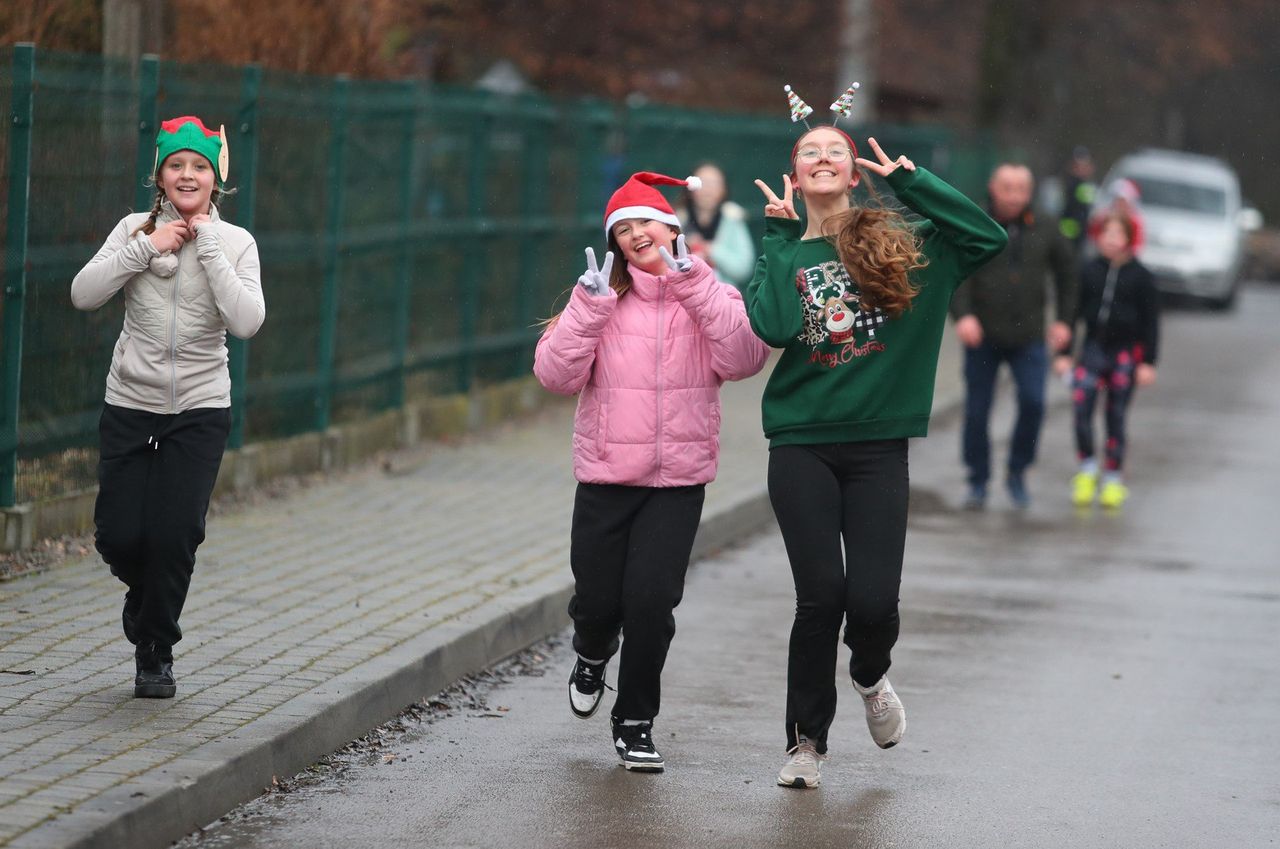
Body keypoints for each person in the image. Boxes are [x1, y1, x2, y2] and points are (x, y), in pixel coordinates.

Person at [746, 126, 1007, 788]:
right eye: (811, 153)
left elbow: (986, 237)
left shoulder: (907, 243)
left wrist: (912, 181)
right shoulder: (788, 249)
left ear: (854, 170)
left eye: (836, 150)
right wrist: (775, 239)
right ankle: (806, 743)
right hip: (800, 442)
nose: (824, 158)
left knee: (871, 599)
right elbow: (774, 326)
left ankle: (868, 672)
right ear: (796, 175)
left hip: (878, 450)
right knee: (819, 597)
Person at [533, 171, 769, 772]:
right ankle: (591, 652)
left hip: (678, 481)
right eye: (625, 228)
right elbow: (554, 377)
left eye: (648, 222)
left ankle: (635, 720)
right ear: (615, 242)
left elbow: (744, 359)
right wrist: (586, 307)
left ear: (673, 227)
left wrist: (697, 287)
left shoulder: (710, 293)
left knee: (651, 603)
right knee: (597, 602)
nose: (639, 234)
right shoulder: (598, 298)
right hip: (607, 478)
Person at [71, 116, 265, 699]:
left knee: (176, 533)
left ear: (215, 180)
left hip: (201, 410)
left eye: (199, 166)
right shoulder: (132, 230)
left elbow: (248, 321)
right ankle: (147, 596)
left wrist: (206, 247)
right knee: (119, 536)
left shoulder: (236, 243)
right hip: (130, 401)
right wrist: (145, 248)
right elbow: (84, 293)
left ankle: (155, 650)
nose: (188, 175)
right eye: (177, 164)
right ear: (159, 174)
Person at [950, 163, 1076, 509]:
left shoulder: (1046, 225)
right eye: (1007, 188)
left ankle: (1018, 472)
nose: (1014, 196)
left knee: (1034, 403)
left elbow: (1068, 274)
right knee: (977, 411)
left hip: (1030, 335)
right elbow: (956, 270)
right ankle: (977, 479)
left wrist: (1065, 321)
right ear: (993, 187)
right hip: (983, 335)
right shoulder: (974, 221)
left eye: (1021, 189)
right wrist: (962, 316)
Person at [1054, 211, 1158, 509]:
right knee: (1081, 407)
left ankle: (1113, 477)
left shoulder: (1142, 277)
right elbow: (1071, 315)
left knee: (1116, 415)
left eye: (1118, 235)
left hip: (1125, 353)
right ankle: (1087, 468)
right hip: (1093, 350)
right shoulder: (1088, 271)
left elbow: (1151, 323)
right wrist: (1064, 354)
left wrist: (1149, 361)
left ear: (1129, 239)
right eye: (1106, 234)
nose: (1111, 241)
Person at [674, 161, 757, 288]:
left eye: (714, 184)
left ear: (723, 189)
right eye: (702, 183)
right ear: (689, 188)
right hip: (683, 297)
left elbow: (743, 269)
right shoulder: (676, 220)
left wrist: (710, 250)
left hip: (724, 300)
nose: (708, 189)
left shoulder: (733, 219)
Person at [1059, 145, 1097, 250]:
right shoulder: (1070, 183)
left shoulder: (1087, 184)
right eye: (1079, 166)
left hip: (1081, 232)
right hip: (1068, 231)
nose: (1082, 169)